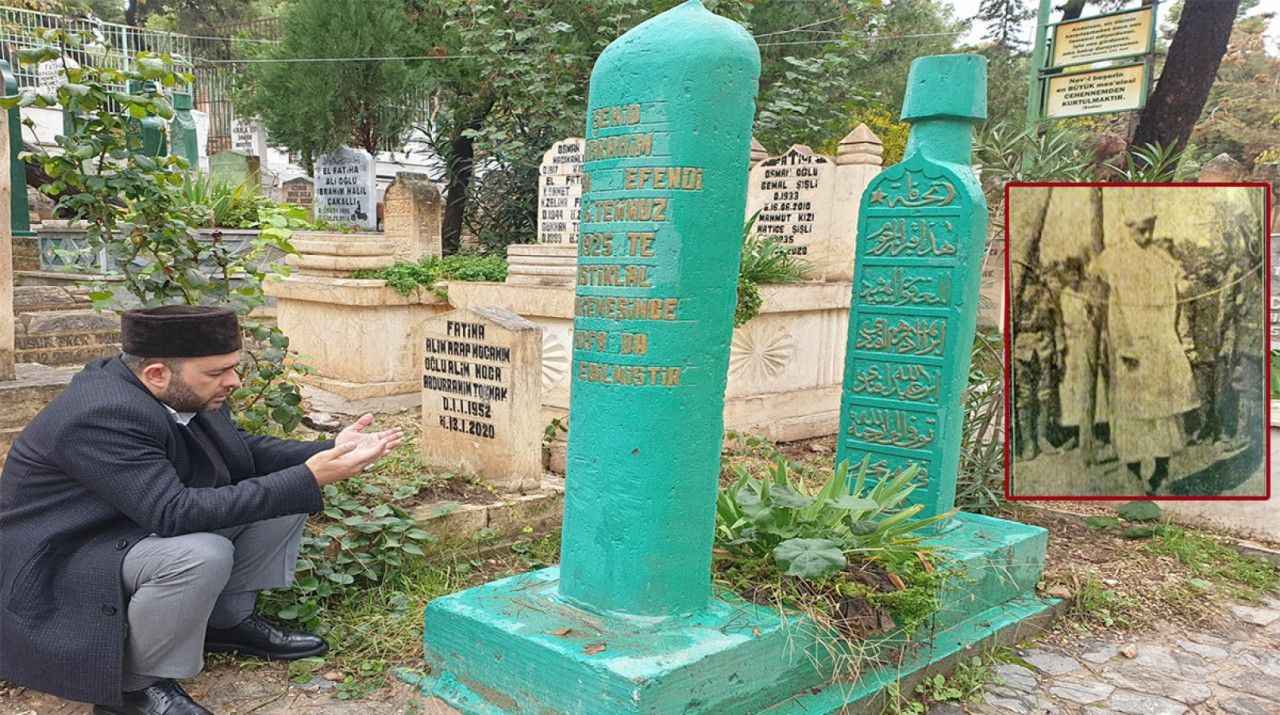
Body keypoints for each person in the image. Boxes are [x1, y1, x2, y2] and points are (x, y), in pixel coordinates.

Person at [0, 306, 403, 714]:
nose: (234, 381)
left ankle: (226, 622)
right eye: (218, 372)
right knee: (200, 555)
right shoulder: (102, 413)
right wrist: (307, 477)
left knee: (287, 497)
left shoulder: (180, 390)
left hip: (126, 525)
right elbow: (173, 513)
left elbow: (241, 451)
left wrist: (330, 450)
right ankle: (136, 687)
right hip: (63, 554)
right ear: (157, 373)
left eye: (233, 367)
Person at [1090, 216, 1199, 494]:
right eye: (1141, 229)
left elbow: (1182, 284)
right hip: (1130, 345)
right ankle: (1134, 474)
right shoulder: (1113, 257)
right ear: (1129, 228)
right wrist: (1123, 344)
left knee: (1162, 411)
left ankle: (1161, 472)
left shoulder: (1161, 258)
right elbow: (1102, 293)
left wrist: (1185, 284)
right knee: (1132, 411)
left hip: (1160, 345)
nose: (1147, 235)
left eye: (1150, 229)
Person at [1052, 259, 1109, 454]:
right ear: (1066, 276)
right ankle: (1074, 432)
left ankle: (1094, 430)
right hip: (1071, 345)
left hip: (1086, 341)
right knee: (1070, 386)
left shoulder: (1086, 294)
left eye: (1076, 274)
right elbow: (1059, 321)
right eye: (1070, 274)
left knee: (1091, 384)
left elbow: (1095, 317)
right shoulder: (1063, 295)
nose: (1074, 278)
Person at [1013, 273, 1063, 461]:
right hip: (1022, 346)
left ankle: (1042, 437)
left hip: (1044, 346)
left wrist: (1059, 348)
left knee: (1044, 394)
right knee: (1024, 396)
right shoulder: (1016, 292)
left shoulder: (1046, 293)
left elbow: (1057, 322)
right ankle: (1028, 442)